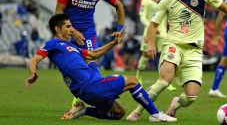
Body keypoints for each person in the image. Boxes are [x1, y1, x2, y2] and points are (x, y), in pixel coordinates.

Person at [126, 0, 227, 121]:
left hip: (195, 50)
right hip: (173, 44)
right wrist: (151, 45)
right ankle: (137, 112)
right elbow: (153, 25)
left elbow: (224, 7)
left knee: (191, 96)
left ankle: (175, 104)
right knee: (164, 81)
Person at [24, 14, 177, 122]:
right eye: (68, 26)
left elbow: (93, 53)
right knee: (133, 81)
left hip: (85, 91)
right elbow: (35, 58)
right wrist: (33, 73)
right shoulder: (52, 44)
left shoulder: (71, 46)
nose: (72, 29)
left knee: (118, 113)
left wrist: (113, 43)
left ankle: (83, 110)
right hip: (90, 86)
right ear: (58, 29)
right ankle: (156, 114)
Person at [55, 0, 125, 113]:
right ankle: (82, 98)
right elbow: (58, 13)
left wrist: (119, 29)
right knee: (73, 68)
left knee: (92, 62)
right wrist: (72, 30)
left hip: (88, 33)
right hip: (68, 33)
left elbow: (119, 6)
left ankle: (99, 96)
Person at [136, 0, 177, 91]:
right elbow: (142, 16)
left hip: (163, 33)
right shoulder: (145, 1)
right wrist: (151, 27)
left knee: (166, 57)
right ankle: (138, 78)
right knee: (145, 56)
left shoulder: (165, 0)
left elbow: (169, 16)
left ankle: (166, 82)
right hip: (149, 33)